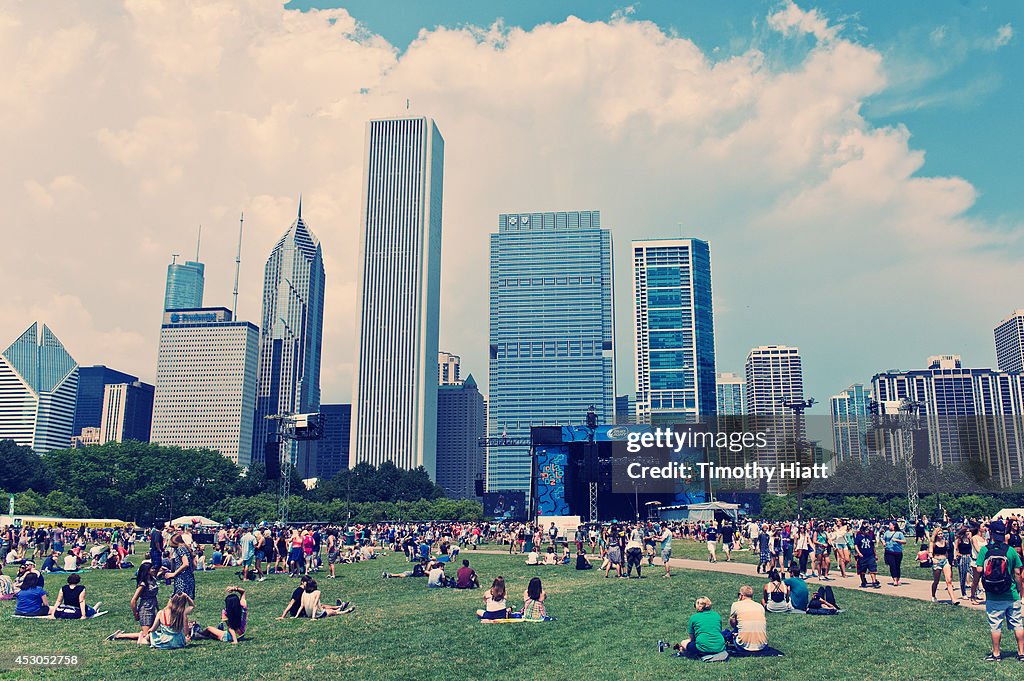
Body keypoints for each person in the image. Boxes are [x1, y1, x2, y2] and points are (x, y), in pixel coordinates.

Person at [974, 519, 1024, 661]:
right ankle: (1021, 653)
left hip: (993, 595)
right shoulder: (1011, 551)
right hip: (1011, 593)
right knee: (1017, 624)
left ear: (991, 533)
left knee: (996, 626)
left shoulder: (985, 550)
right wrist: (1020, 591)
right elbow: (1018, 574)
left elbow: (978, 569)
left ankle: (996, 654)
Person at [728, 585, 767, 652]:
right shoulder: (760, 606)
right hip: (762, 645)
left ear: (741, 595)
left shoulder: (736, 605)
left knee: (732, 632)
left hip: (743, 646)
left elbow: (733, 624)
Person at [930, 526, 958, 605]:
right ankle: (933, 595)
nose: (941, 535)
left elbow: (947, 552)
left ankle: (953, 599)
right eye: (939, 534)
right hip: (937, 562)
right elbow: (930, 552)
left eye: (941, 533)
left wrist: (950, 560)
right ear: (936, 535)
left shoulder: (945, 542)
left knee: (949, 580)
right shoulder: (933, 543)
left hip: (945, 561)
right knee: (936, 581)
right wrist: (932, 559)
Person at [167, 534, 196, 601]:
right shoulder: (186, 548)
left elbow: (185, 564)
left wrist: (174, 574)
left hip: (182, 579)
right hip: (189, 577)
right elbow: (194, 564)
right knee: (186, 600)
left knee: (177, 600)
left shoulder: (180, 549)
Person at [854, 522, 881, 589]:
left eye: (868, 530)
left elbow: (872, 546)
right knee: (862, 570)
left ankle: (874, 582)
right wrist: (859, 553)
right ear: (863, 531)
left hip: (870, 555)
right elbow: (856, 545)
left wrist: (875, 554)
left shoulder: (869, 537)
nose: (867, 531)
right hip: (862, 556)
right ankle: (863, 581)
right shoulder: (858, 537)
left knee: (872, 569)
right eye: (866, 530)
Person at [882, 520, 906, 586]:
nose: (889, 526)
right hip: (889, 551)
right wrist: (884, 543)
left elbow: (904, 541)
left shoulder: (899, 533)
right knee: (892, 565)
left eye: (890, 525)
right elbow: (883, 539)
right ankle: (894, 579)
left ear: (894, 526)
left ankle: (898, 579)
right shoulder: (887, 532)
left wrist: (897, 540)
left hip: (898, 551)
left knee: (897, 565)